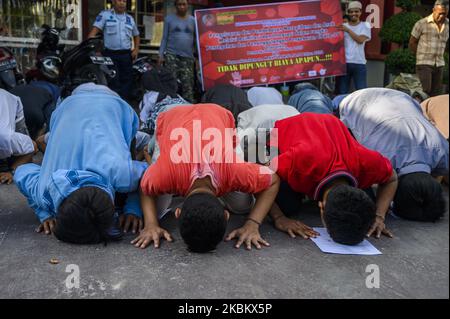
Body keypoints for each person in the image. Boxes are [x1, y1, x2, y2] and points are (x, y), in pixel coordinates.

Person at [134, 104, 280, 253]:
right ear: (225, 215)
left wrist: (253, 224)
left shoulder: (233, 170)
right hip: (183, 115)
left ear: (178, 212)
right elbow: (145, 185)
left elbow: (273, 181)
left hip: (209, 114)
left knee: (243, 205)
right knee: (157, 208)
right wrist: (151, 224)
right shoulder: (167, 173)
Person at [13, 83, 148, 244]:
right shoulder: (45, 191)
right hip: (82, 104)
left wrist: (133, 209)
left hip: (94, 102)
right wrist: (44, 214)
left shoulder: (118, 172)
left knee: (129, 157)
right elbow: (21, 171)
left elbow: (22, 171)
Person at [267, 113, 398, 245]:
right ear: (321, 207)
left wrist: (379, 216)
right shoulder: (298, 162)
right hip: (271, 128)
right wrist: (279, 218)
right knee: (287, 205)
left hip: (328, 127)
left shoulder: (366, 163)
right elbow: (261, 172)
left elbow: (392, 178)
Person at [338, 88, 448, 222]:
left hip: (402, 98)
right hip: (356, 101)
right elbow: (361, 178)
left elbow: (437, 175)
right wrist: (380, 211)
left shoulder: (443, 152)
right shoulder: (377, 157)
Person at [88, 0, 140, 101]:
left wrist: (136, 49)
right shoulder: (105, 15)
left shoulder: (130, 19)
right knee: (113, 81)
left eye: (124, 1)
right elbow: (92, 35)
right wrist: (96, 50)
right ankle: (113, 104)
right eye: (119, 0)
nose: (122, 3)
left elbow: (136, 35)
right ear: (113, 2)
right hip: (110, 55)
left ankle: (123, 104)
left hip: (126, 55)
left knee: (127, 81)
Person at [158, 0, 196, 103]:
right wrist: (161, 54)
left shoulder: (193, 20)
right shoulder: (169, 19)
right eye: (179, 4)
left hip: (188, 57)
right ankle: (170, 105)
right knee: (171, 82)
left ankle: (189, 106)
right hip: (171, 55)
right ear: (175, 6)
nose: (182, 6)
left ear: (188, 5)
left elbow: (197, 40)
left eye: (184, 4)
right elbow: (164, 38)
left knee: (188, 83)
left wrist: (197, 58)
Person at [409, 0, 449, 97]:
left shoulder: (448, 25)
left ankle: (430, 112)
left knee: (436, 95)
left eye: (445, 14)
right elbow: (412, 42)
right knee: (424, 91)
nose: (442, 16)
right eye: (440, 14)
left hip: (439, 64)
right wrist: (420, 56)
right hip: (424, 63)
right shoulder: (421, 23)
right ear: (433, 10)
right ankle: (420, 110)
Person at [0, 88, 36, 185]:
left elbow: (33, 147)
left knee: (26, 159)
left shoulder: (6, 138)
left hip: (13, 103)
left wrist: (11, 172)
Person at [336, 1, 371, 94]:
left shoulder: (365, 25)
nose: (353, 14)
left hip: (359, 63)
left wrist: (348, 30)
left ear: (360, 12)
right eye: (351, 12)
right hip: (344, 63)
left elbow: (360, 40)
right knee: (342, 92)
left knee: (361, 92)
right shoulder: (343, 26)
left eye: (356, 11)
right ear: (348, 12)